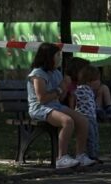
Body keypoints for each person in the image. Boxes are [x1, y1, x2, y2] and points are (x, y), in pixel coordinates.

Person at [27, 43, 94, 171]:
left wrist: (65, 87)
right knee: (67, 121)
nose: (60, 58)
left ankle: (80, 155)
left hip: (55, 105)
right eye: (58, 55)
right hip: (40, 108)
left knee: (83, 120)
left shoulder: (57, 73)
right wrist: (59, 89)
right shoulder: (38, 74)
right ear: (48, 57)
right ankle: (61, 157)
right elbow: (42, 99)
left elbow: (61, 98)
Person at [74, 63, 104, 164]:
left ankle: (95, 154)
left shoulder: (91, 91)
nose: (99, 82)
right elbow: (74, 97)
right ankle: (91, 155)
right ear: (89, 81)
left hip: (92, 116)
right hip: (85, 116)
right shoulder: (81, 89)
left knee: (95, 135)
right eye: (97, 80)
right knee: (90, 136)